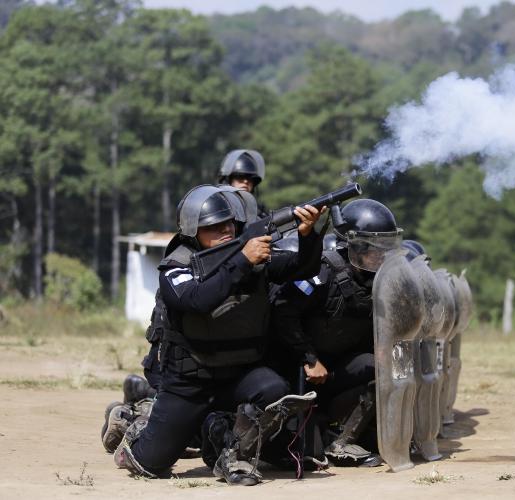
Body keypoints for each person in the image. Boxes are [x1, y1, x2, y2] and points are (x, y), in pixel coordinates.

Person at [111, 184, 326, 486]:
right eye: (212, 226)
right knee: (148, 463)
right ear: (192, 231)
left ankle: (235, 456)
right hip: (190, 382)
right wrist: (242, 261)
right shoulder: (176, 266)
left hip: (237, 374)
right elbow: (196, 299)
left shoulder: (252, 256)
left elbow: (302, 268)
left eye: (228, 223)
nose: (224, 230)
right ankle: (131, 419)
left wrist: (307, 235)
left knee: (274, 388)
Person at [270, 199, 403, 466]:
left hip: (339, 369)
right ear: (355, 246)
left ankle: (344, 442)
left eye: (387, 247)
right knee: (307, 451)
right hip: (302, 371)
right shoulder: (322, 271)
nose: (382, 255)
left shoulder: (381, 279)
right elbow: (283, 313)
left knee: (384, 367)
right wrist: (309, 358)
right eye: (376, 248)